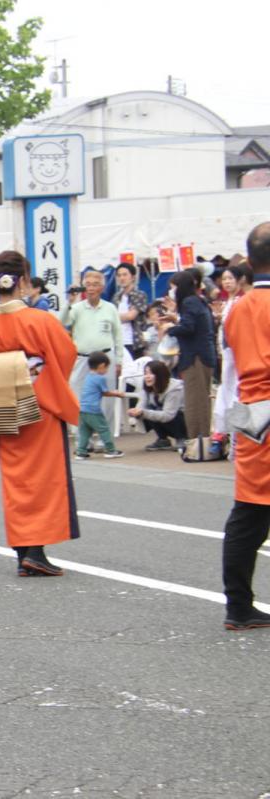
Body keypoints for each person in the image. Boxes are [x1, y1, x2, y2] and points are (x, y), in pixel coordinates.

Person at [0, 250, 80, 577]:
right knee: (43, 479)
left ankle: (23, 553)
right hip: (40, 402)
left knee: (16, 478)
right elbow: (65, 354)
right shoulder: (42, 319)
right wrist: (37, 377)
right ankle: (35, 550)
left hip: (3, 403)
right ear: (21, 281)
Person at [219, 222, 270, 630]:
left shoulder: (237, 307)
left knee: (250, 510)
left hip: (248, 409)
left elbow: (231, 365)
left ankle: (238, 604)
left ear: (250, 263)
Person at [62, 270, 123, 439]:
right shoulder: (76, 308)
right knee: (78, 396)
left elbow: (118, 335)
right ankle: (83, 437)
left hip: (105, 358)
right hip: (82, 358)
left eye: (95, 285)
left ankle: (106, 438)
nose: (91, 288)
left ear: (102, 287)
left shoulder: (110, 308)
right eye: (88, 284)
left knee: (107, 398)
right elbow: (63, 322)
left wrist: (119, 360)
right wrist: (69, 302)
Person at [159, 270, 215, 441]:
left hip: (195, 358)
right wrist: (176, 320)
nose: (171, 292)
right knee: (200, 400)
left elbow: (189, 328)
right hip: (203, 356)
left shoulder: (189, 302)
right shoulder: (198, 301)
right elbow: (195, 325)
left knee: (195, 402)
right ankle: (200, 439)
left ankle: (197, 441)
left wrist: (170, 329)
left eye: (173, 288)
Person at [211, 262, 254, 456]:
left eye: (231, 279)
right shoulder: (225, 302)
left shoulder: (242, 302)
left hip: (238, 354)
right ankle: (223, 435)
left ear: (240, 281)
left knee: (236, 394)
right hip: (226, 354)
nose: (227, 282)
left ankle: (236, 439)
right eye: (225, 279)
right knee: (225, 393)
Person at [74, 352, 125, 461]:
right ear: (101, 366)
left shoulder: (88, 376)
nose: (106, 370)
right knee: (104, 429)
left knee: (85, 431)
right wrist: (117, 393)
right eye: (106, 367)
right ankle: (111, 450)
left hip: (83, 409)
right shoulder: (100, 378)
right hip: (93, 409)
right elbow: (105, 392)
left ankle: (81, 452)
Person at [128, 360, 186, 451]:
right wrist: (136, 412)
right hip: (166, 417)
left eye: (151, 373)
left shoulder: (174, 389)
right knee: (149, 409)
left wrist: (144, 412)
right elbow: (141, 405)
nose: (147, 377)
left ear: (160, 375)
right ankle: (163, 439)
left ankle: (183, 438)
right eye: (145, 373)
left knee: (158, 412)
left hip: (182, 419)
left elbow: (168, 415)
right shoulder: (147, 387)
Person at [112, 263, 149, 358]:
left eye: (125, 275)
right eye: (119, 275)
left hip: (135, 342)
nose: (122, 278)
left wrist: (115, 316)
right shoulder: (116, 297)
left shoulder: (139, 295)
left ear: (132, 277)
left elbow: (131, 316)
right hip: (118, 341)